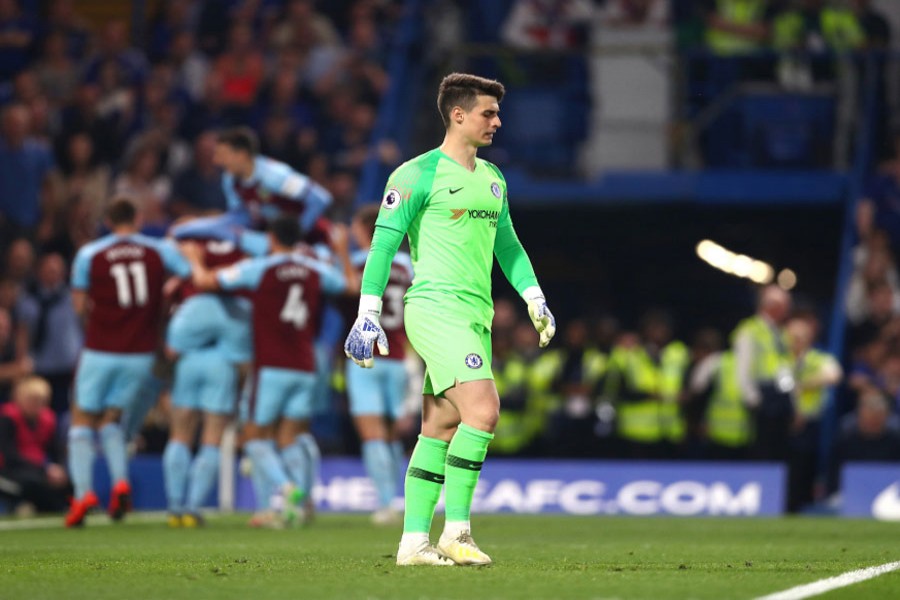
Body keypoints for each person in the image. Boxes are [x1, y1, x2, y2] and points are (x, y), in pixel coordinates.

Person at [343, 73, 556, 566]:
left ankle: (413, 543)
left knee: (439, 427)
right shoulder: (415, 174)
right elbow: (383, 245)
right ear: (458, 115)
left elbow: (508, 245)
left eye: (497, 114)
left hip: (475, 312)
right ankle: (456, 530)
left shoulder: (493, 179)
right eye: (488, 113)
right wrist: (368, 313)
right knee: (483, 411)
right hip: (436, 308)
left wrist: (533, 295)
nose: (497, 122)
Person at [191, 216, 345, 528]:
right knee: (291, 437)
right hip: (305, 367)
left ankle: (288, 491)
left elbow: (207, 281)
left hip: (273, 365)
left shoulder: (260, 267)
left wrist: (193, 258)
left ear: (272, 238)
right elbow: (349, 285)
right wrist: (341, 251)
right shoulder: (314, 269)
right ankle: (297, 509)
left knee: (253, 437)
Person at [65, 198, 192, 527]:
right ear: (136, 218)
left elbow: (78, 307)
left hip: (100, 348)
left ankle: (82, 495)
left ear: (108, 220)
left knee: (82, 419)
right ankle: (120, 482)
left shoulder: (90, 254)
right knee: (112, 421)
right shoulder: (158, 250)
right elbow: (189, 275)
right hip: (140, 353)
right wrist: (165, 293)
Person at [161, 232, 251, 528]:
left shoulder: (191, 304)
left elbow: (171, 350)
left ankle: (174, 507)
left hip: (188, 365)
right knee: (211, 439)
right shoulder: (240, 309)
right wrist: (239, 395)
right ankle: (193, 508)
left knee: (180, 436)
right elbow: (243, 362)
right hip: (222, 369)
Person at [344, 204, 413, 524]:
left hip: (365, 356)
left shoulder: (360, 263)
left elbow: (344, 287)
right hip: (399, 358)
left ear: (365, 232)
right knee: (389, 435)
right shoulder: (410, 267)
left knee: (372, 434)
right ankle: (398, 499)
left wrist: (338, 255)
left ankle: (387, 503)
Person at [171, 127, 332, 248]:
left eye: (222, 155)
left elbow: (320, 199)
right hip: (275, 241)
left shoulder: (273, 175)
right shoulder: (230, 179)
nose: (216, 161)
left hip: (312, 239)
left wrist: (296, 236)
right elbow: (239, 216)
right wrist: (194, 226)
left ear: (241, 155)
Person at [785, 314, 842, 512]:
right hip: (782, 421)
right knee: (782, 467)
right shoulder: (781, 359)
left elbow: (834, 375)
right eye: (792, 336)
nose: (795, 341)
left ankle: (802, 507)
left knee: (804, 467)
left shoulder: (816, 359)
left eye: (800, 337)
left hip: (808, 424)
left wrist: (806, 384)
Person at [732, 285, 794, 461]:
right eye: (785, 305)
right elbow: (742, 368)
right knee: (761, 452)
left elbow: (782, 365)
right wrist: (753, 398)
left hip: (779, 397)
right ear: (772, 306)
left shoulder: (780, 332)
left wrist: (789, 394)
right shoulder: (750, 329)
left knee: (778, 452)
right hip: (761, 397)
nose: (787, 310)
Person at [0, 376, 69, 513]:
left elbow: (56, 451)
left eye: (41, 401)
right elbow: (9, 456)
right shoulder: (7, 419)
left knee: (66, 483)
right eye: (32, 400)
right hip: (8, 472)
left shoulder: (48, 420)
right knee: (34, 484)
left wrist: (58, 469)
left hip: (37, 471)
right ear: (18, 399)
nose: (36, 405)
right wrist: (44, 469)